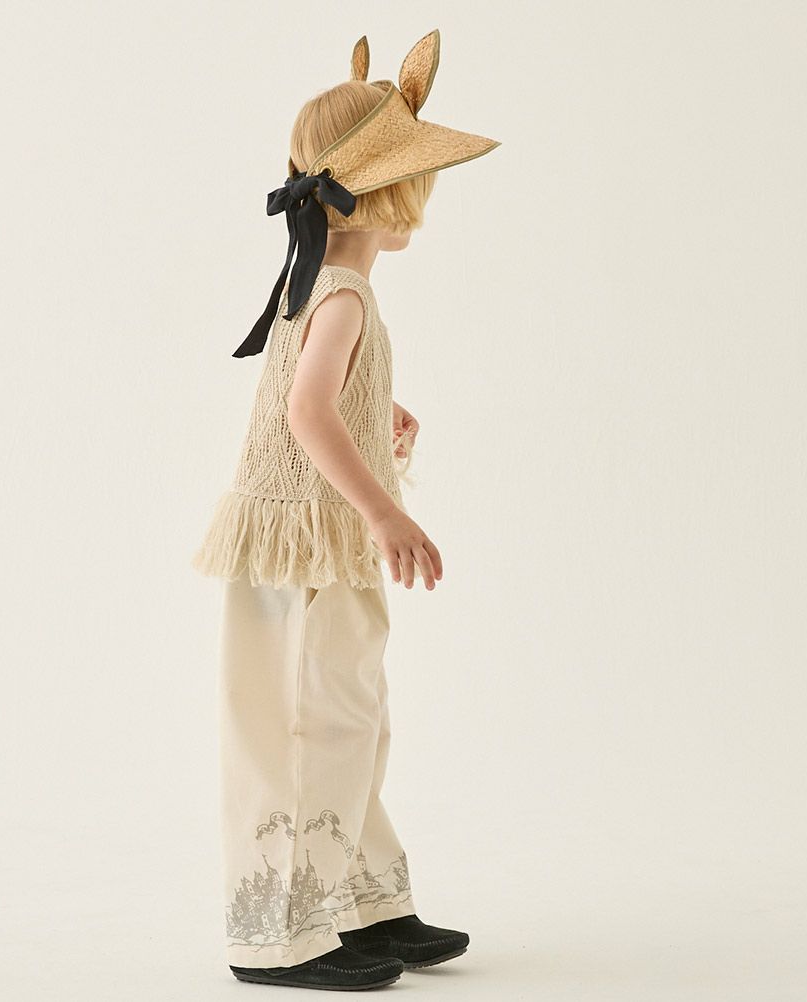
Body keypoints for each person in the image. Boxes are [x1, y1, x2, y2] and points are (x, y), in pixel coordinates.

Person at [191, 28, 500, 991]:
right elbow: (306, 412)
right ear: (386, 188)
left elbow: (315, 394)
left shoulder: (324, 284)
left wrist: (379, 409)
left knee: (347, 719)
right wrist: (384, 512)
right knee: (307, 726)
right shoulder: (342, 296)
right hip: (312, 548)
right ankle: (281, 933)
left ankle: (360, 905)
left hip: (311, 543)